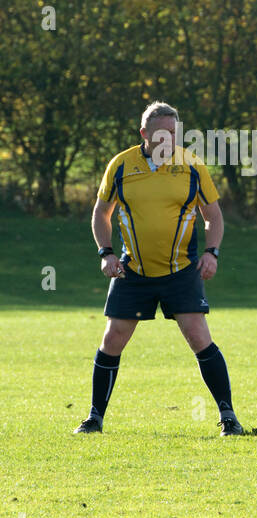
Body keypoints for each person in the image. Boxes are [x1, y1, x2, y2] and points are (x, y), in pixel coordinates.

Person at [74, 101, 245, 436]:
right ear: (144, 134)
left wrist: (212, 252)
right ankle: (94, 417)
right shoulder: (121, 165)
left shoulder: (192, 165)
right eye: (161, 133)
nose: (169, 139)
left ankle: (229, 417)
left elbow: (214, 217)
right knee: (113, 339)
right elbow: (100, 213)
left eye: (173, 133)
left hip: (181, 271)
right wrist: (106, 253)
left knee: (198, 336)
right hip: (132, 270)